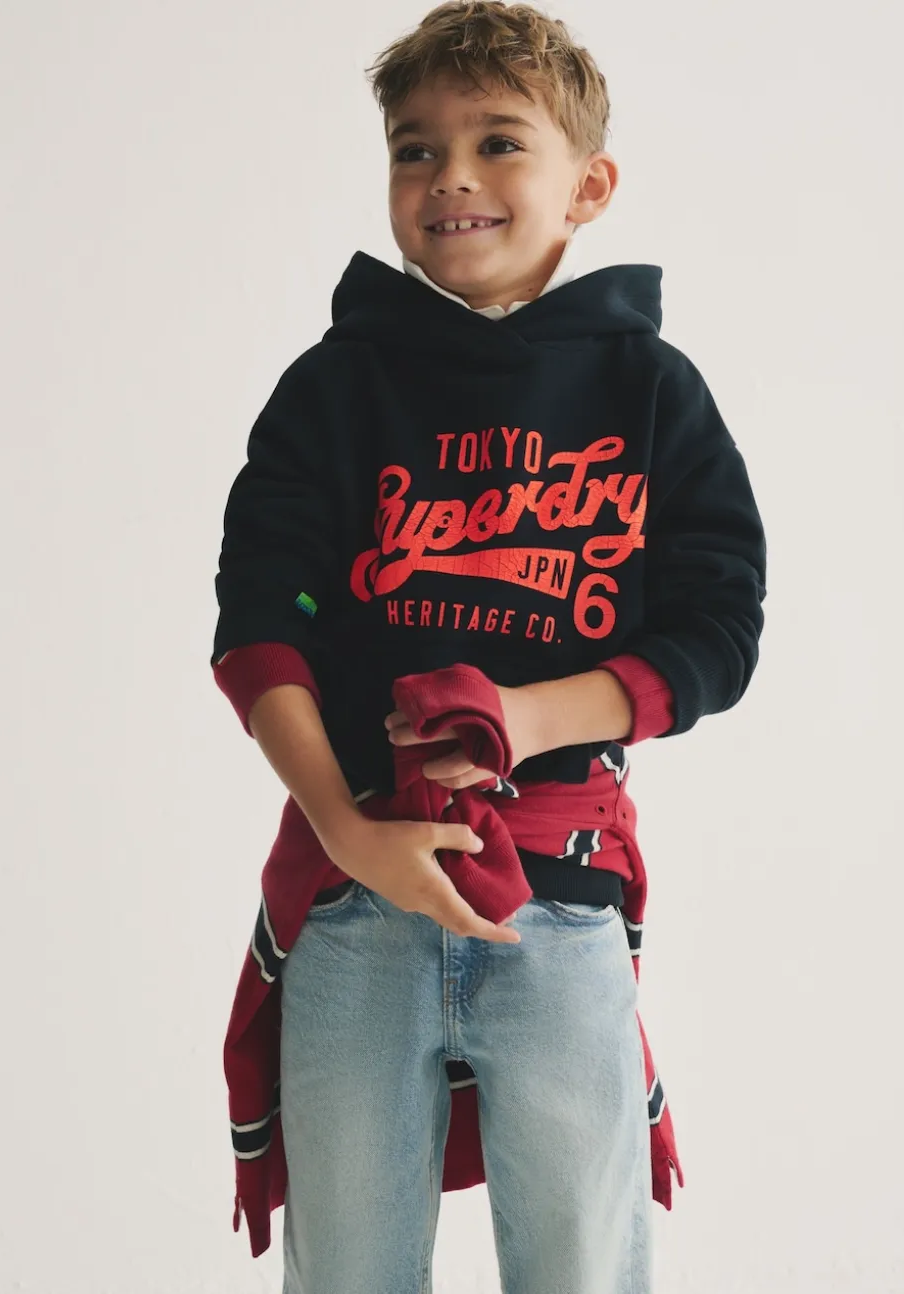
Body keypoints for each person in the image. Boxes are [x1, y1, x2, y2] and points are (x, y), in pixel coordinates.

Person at [210, 3, 767, 1291]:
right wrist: (348, 832)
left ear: (589, 187)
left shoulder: (652, 391)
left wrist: (528, 718)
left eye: (498, 142)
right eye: (415, 148)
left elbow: (718, 628)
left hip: (559, 902)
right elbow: (259, 622)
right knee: (347, 1270)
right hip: (353, 897)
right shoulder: (334, 387)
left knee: (583, 1263)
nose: (450, 175)